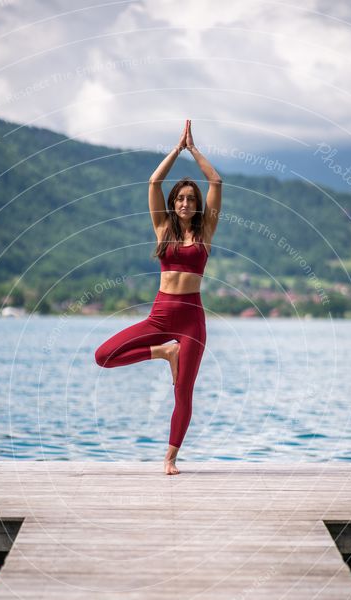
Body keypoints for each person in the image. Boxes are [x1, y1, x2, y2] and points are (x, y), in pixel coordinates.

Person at [95, 120, 222, 474]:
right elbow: (153, 182)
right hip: (161, 315)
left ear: (197, 206)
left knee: (184, 391)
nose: (185, 203)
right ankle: (163, 352)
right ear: (173, 202)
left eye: (190, 199)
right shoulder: (162, 228)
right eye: (180, 198)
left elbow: (217, 182)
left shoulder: (206, 231)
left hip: (192, 320)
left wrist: (194, 150)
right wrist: (176, 149)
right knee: (103, 355)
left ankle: (170, 458)